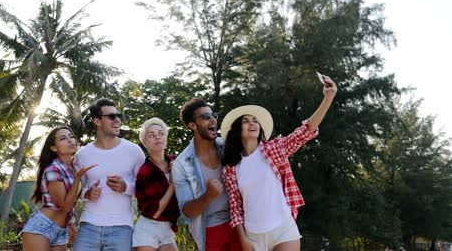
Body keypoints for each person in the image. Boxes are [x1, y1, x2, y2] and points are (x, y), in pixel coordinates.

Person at [221, 75, 337, 251]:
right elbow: (235, 207)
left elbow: (305, 131)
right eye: (246, 121)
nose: (252, 124)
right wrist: (243, 239)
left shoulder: (274, 149)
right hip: (253, 236)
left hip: (283, 228)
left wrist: (328, 98)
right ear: (237, 130)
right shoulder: (230, 169)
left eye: (255, 121)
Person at [72, 98, 145, 251]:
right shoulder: (82, 155)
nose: (117, 119)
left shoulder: (134, 151)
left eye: (118, 115)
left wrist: (125, 187)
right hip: (88, 225)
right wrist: (87, 193)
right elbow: (75, 191)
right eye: (111, 116)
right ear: (97, 121)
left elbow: (145, 190)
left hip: (122, 227)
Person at [172, 98, 242, 251]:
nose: (213, 120)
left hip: (239, 224)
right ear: (192, 125)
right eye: (205, 117)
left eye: (213, 115)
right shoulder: (182, 164)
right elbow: (188, 212)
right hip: (210, 229)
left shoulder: (228, 147)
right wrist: (209, 195)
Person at [20, 126, 96, 251]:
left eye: (71, 137)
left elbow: (72, 203)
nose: (70, 140)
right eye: (63, 138)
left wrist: (71, 225)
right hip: (41, 227)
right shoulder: (53, 169)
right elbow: (65, 206)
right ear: (54, 147)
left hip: (61, 231)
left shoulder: (75, 169)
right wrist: (77, 179)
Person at [133, 117, 180, 251]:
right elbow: (155, 213)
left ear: (166, 137)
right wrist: (173, 184)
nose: (157, 137)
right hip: (148, 227)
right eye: (151, 135)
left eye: (161, 133)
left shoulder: (177, 162)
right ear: (145, 143)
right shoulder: (144, 172)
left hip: (168, 228)